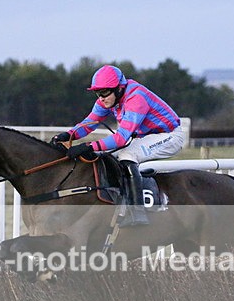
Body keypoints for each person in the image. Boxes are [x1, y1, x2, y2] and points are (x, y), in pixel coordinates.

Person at [51, 65, 186, 226]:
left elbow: (121, 138)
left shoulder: (136, 98)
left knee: (127, 155)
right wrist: (69, 134)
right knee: (106, 156)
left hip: (170, 136)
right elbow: (89, 123)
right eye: (98, 93)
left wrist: (89, 146)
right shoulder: (108, 97)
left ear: (119, 88)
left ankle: (137, 212)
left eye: (104, 92)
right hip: (147, 136)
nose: (101, 98)